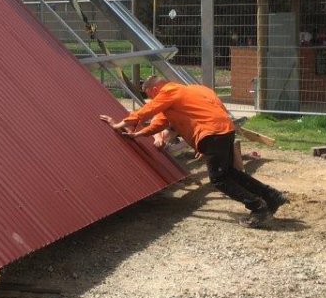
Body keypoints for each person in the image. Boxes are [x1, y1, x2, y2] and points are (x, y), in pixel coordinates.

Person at [99, 75, 288, 228]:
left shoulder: (169, 91)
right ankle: (272, 196)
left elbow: (147, 111)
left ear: (155, 89)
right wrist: (139, 134)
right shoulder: (197, 91)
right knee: (230, 173)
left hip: (211, 133)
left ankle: (258, 207)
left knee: (219, 179)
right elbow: (159, 123)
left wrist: (119, 124)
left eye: (150, 94)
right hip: (225, 130)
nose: (152, 99)